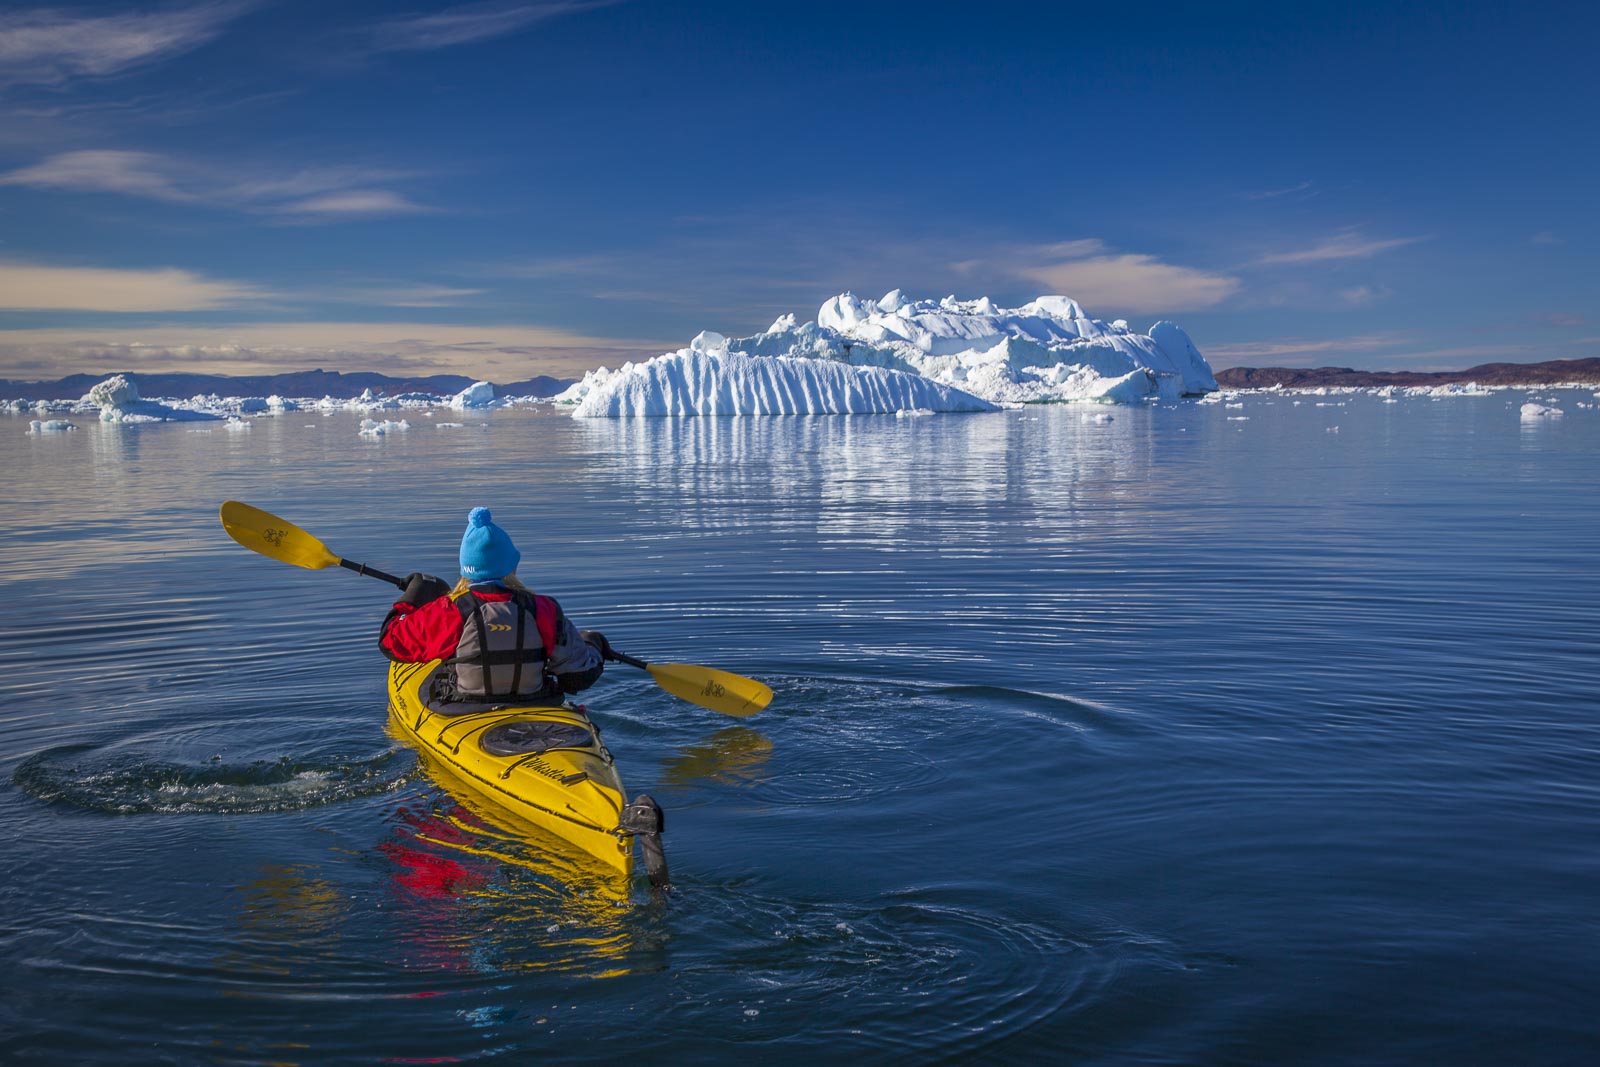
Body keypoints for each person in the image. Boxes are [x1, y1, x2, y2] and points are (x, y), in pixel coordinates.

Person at [380, 507, 611, 705]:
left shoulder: (450, 611)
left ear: (466, 567)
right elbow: (579, 676)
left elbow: (391, 643)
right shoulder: (543, 609)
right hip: (534, 703)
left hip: (464, 706)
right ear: (512, 566)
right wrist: (593, 643)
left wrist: (411, 599)